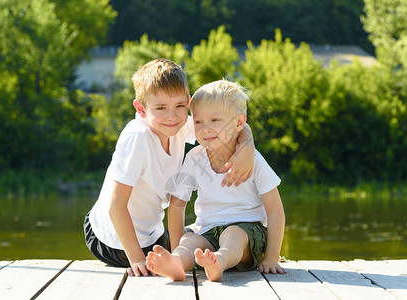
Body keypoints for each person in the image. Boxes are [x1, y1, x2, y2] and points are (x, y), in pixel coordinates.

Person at [83, 59, 256, 277]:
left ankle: (227, 256)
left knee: (199, 239)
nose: (172, 116)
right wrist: (136, 259)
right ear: (141, 109)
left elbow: (231, 124)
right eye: (161, 108)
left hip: (151, 233)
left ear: (188, 102)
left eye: (180, 106)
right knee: (184, 250)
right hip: (113, 239)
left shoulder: (180, 125)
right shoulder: (138, 138)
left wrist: (247, 148)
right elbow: (115, 205)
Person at [146, 79, 286, 282]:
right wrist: (177, 248)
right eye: (198, 122)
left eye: (215, 120)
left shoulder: (253, 159)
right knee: (190, 240)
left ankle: (218, 261)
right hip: (207, 230)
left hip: (247, 231)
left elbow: (275, 211)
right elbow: (176, 206)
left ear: (239, 123)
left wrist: (272, 257)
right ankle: (176, 263)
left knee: (232, 235)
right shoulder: (195, 157)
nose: (205, 129)